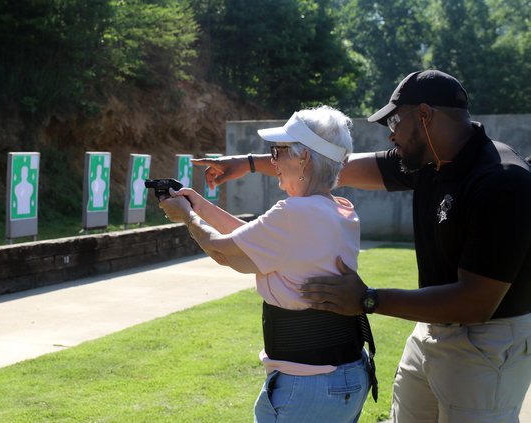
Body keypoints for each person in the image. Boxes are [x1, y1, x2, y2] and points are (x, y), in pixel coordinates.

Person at [193, 70, 531, 423]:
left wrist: (368, 299)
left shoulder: (502, 183)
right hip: (431, 327)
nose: (390, 133)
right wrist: (247, 164)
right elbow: (332, 162)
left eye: (394, 122)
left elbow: (475, 302)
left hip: (487, 342)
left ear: (425, 116)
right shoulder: (431, 158)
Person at [160, 106, 375, 423]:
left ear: (304, 158)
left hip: (308, 385)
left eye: (278, 151)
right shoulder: (338, 209)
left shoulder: (294, 214)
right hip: (343, 374)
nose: (272, 161)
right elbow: (252, 241)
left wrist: (187, 217)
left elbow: (224, 252)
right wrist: (200, 205)